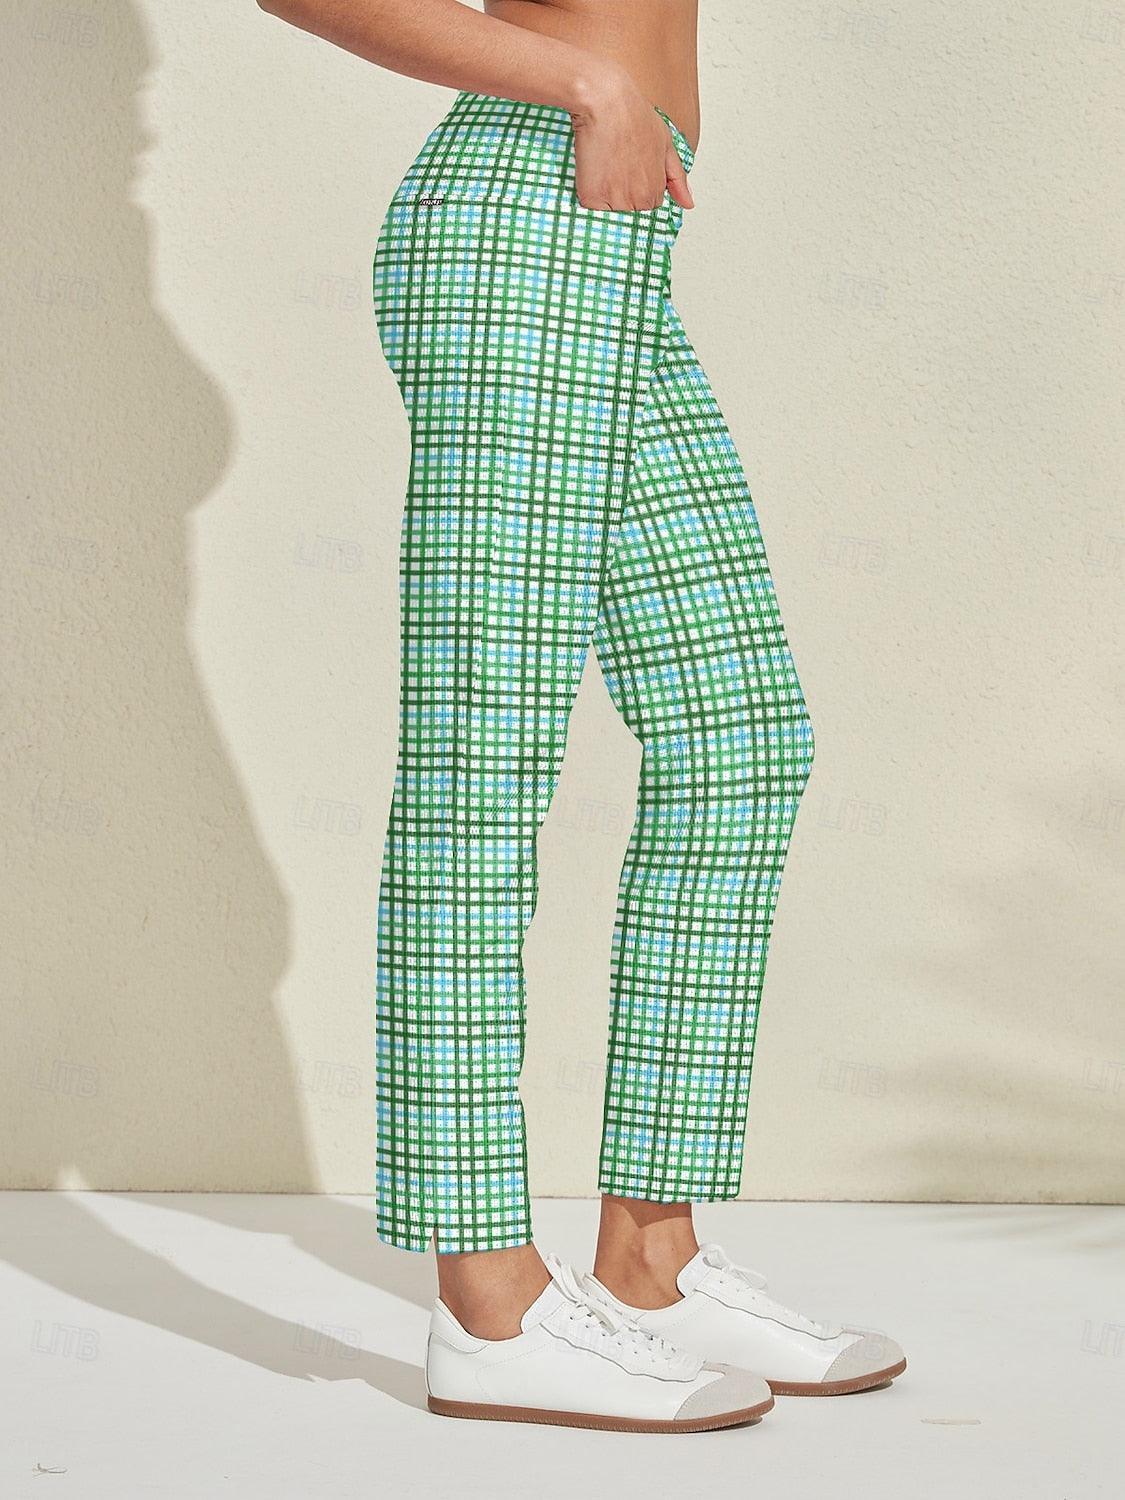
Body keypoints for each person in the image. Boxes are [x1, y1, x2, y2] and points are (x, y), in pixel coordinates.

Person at [255, 0, 906, 1432]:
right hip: (525, 223)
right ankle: (488, 1303)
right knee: (482, 765)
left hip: (613, 245)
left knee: (739, 740)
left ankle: (649, 1263)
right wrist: (583, 86)